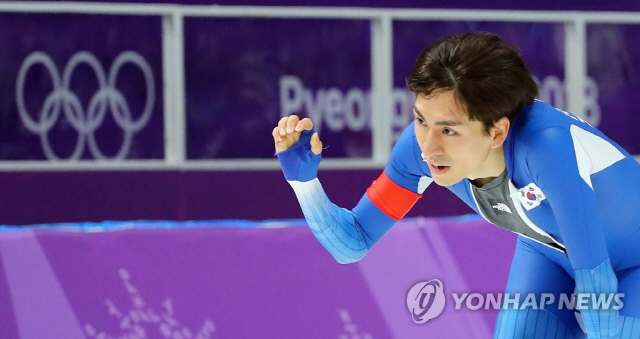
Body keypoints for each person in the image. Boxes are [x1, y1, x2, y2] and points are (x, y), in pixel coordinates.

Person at [272, 32, 640, 339]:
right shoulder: (418, 152)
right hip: (548, 253)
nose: (429, 146)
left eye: (448, 129)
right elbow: (352, 243)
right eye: (420, 120)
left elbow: (599, 294)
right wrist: (303, 182)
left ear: (497, 132)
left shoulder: (545, 150)